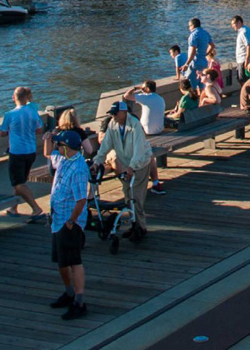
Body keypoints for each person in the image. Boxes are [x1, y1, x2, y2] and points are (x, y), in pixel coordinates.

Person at [94, 101, 153, 241]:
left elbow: (139, 150)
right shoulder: (112, 125)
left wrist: (132, 167)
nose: (113, 116)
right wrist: (97, 161)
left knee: (136, 197)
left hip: (140, 164)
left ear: (124, 112)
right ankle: (133, 225)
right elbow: (106, 145)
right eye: (112, 113)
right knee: (127, 195)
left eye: (115, 113)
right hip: (126, 164)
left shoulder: (135, 125)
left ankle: (141, 227)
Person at [46, 130, 90, 320]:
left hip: (69, 223)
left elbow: (81, 200)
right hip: (58, 221)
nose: (57, 148)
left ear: (67, 147)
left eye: (59, 145)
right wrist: (48, 139)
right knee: (62, 262)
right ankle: (69, 292)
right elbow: (48, 154)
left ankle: (79, 301)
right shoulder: (64, 160)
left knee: (74, 262)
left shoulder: (78, 169)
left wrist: (71, 222)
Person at [0, 86, 45, 221]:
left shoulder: (10, 115)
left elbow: (2, 133)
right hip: (31, 151)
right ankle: (13, 208)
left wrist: (11, 131)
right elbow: (39, 130)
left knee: (17, 183)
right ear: (27, 98)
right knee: (21, 180)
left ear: (13, 98)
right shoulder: (33, 111)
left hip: (17, 152)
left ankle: (36, 208)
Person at [122, 81, 167, 195]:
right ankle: (154, 182)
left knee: (146, 152)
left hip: (148, 132)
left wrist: (135, 87)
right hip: (159, 130)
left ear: (146, 89)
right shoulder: (160, 98)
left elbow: (126, 96)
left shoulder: (145, 97)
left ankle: (139, 181)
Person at [184, 17, 212, 89]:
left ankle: (193, 100)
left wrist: (187, 64)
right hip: (204, 62)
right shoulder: (205, 33)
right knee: (202, 85)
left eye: (189, 26)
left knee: (190, 86)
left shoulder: (193, 35)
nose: (189, 28)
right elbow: (212, 45)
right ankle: (200, 100)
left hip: (195, 63)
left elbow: (193, 51)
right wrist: (205, 54)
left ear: (193, 25)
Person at [231, 16, 250, 81]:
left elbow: (249, 46)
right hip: (242, 59)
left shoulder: (243, 32)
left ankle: (246, 91)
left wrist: (247, 60)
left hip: (243, 60)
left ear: (239, 22)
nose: (232, 26)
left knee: (243, 80)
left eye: (233, 24)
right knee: (241, 78)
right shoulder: (246, 30)